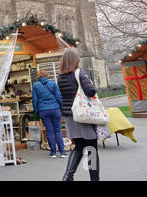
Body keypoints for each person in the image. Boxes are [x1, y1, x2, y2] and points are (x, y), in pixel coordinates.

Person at [57, 49, 99, 181]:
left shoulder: (60, 77)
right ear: (75, 61)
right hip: (84, 115)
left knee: (79, 146)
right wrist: (91, 84)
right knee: (91, 148)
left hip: (71, 116)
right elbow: (90, 91)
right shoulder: (79, 72)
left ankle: (68, 176)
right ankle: (94, 179)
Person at [32, 69, 66, 158]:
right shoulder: (53, 83)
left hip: (43, 110)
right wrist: (61, 107)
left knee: (50, 131)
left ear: (38, 76)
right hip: (55, 109)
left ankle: (53, 152)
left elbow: (34, 100)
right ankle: (62, 152)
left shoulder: (35, 86)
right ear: (46, 75)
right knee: (58, 130)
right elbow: (59, 97)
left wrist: (37, 111)